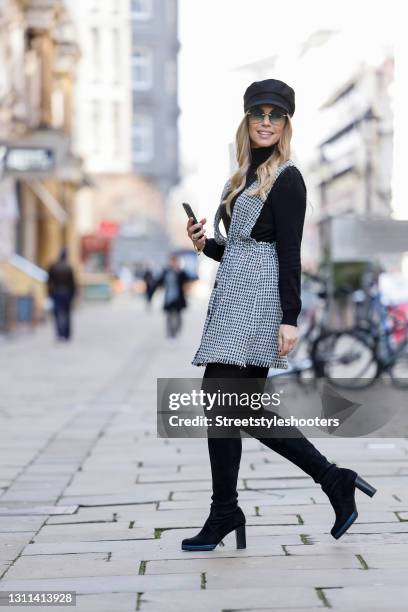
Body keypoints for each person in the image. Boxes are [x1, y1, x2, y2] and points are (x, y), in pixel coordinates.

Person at [182, 78, 377, 551]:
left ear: (286, 123)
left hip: (260, 300)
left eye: (275, 115)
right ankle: (325, 481)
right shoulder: (245, 175)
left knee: (226, 402)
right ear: (246, 121)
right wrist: (205, 244)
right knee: (231, 406)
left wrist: (290, 317)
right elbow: (242, 251)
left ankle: (235, 509)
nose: (266, 122)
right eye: (258, 114)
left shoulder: (288, 178)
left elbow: (287, 253)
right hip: (234, 294)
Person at [151, 254, 189, 338]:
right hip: (169, 298)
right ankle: (171, 334)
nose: (173, 263)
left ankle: (176, 331)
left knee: (178, 317)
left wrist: (179, 272)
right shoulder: (166, 272)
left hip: (179, 298)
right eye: (172, 261)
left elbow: (187, 280)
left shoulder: (181, 272)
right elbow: (158, 282)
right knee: (169, 317)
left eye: (175, 261)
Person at [47, 246, 77, 341]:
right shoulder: (68, 267)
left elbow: (49, 282)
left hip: (57, 293)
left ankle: (59, 334)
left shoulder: (54, 266)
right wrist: (73, 295)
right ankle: (66, 334)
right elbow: (72, 283)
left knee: (57, 314)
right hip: (66, 293)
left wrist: (50, 293)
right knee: (67, 314)